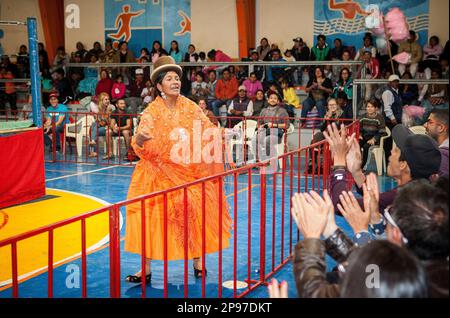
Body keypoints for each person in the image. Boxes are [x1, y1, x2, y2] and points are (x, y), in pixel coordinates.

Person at [124, 56, 232, 283]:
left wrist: (221, 135)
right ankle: (145, 269)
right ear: (159, 85)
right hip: (156, 174)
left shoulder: (191, 107)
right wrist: (140, 140)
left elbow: (207, 129)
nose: (175, 82)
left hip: (187, 172)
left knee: (194, 214)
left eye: (177, 78)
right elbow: (139, 146)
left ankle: (198, 261)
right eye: (169, 78)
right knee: (148, 218)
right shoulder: (152, 111)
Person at [359, 99, 386, 169]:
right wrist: (359, 135)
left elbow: (382, 132)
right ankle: (356, 164)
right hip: (364, 137)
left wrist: (374, 139)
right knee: (356, 143)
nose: (369, 109)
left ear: (376, 108)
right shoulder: (362, 117)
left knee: (366, 147)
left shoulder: (380, 118)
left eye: (372, 107)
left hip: (374, 139)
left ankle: (363, 167)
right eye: (368, 107)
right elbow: (358, 128)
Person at [381, 74, 402, 160]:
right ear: (390, 83)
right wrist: (392, 118)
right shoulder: (388, 92)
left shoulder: (396, 92)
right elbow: (387, 108)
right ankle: (387, 161)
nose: (396, 83)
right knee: (389, 143)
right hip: (390, 122)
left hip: (395, 121)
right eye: (394, 81)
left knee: (394, 142)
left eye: (397, 81)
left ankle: (392, 160)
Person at [424, 108, 449, 176]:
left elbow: (441, 186)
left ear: (440, 127)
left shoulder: (441, 156)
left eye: (430, 122)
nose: (425, 125)